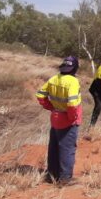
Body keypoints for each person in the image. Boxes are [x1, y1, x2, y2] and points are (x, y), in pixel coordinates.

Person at [36, 56, 83, 184]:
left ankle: (51, 175)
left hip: (56, 117)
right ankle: (65, 179)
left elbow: (40, 95)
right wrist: (72, 117)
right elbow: (73, 104)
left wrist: (50, 107)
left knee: (54, 147)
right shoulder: (72, 82)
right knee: (67, 149)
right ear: (74, 69)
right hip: (68, 120)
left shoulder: (53, 79)